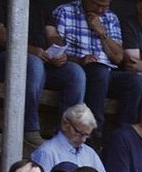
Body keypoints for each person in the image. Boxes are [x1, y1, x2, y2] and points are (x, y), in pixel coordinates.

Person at [0, 0, 79, 151]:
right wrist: (30, 50)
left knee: (74, 73)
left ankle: (68, 136)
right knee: (32, 63)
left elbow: (52, 34)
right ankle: (29, 129)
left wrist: (58, 51)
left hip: (39, 63)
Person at [47, 0, 128, 136]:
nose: (101, 10)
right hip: (78, 66)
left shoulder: (111, 17)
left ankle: (124, 137)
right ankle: (94, 134)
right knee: (99, 72)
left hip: (107, 70)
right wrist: (79, 60)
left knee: (134, 82)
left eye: (105, 6)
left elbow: (118, 58)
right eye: (97, 5)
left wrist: (101, 33)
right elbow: (56, 51)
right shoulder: (65, 12)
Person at [30, 104, 112, 172]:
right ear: (65, 124)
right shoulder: (46, 152)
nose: (83, 140)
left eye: (86, 135)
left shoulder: (90, 153)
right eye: (78, 132)